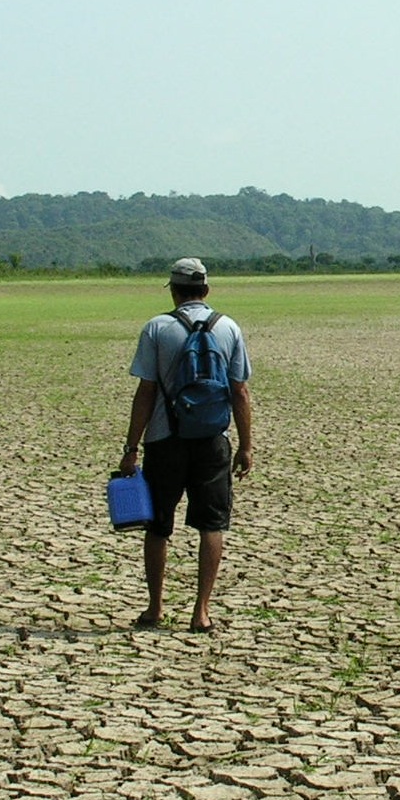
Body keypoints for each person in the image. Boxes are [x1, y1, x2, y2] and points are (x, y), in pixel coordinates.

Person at [117, 257, 254, 634]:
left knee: (158, 525)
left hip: (165, 440)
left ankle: (155, 607)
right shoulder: (228, 327)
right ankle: (202, 611)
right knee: (212, 525)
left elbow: (145, 391)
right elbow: (240, 391)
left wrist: (132, 447)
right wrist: (246, 446)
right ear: (206, 290)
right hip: (213, 440)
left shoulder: (157, 328)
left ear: (174, 291)